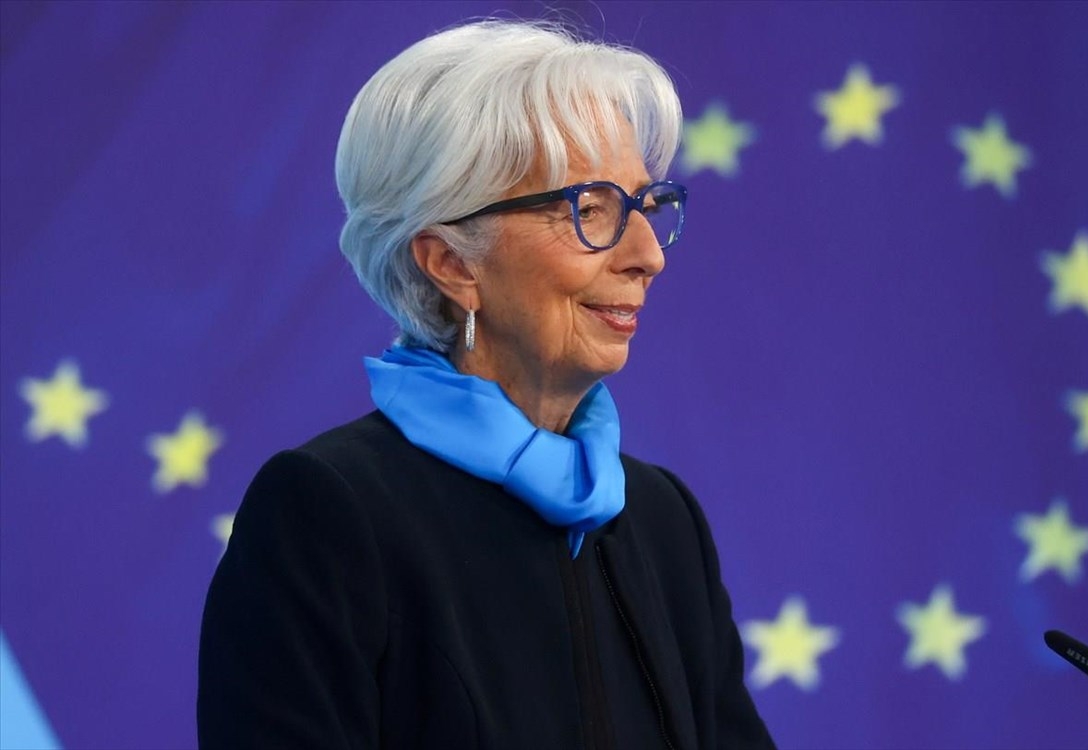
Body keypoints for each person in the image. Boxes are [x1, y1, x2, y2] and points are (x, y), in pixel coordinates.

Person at [197, 19, 775, 750]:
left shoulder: (663, 521)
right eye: (590, 210)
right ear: (451, 263)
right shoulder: (326, 517)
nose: (646, 256)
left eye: (645, 207)